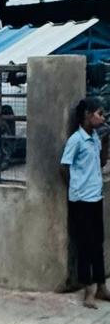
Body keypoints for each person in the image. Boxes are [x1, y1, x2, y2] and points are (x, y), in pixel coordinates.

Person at [60, 98, 109, 308]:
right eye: (99, 113)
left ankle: (101, 286)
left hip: (95, 197)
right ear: (88, 115)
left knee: (98, 243)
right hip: (81, 200)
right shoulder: (76, 140)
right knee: (85, 245)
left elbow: (101, 161)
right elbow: (64, 166)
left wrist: (106, 143)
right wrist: (76, 186)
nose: (103, 117)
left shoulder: (95, 137)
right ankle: (88, 290)